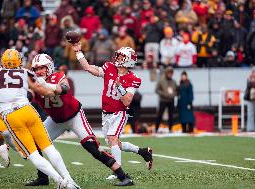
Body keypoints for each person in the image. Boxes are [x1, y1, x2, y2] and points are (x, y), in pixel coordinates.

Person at [0, 48, 79, 189]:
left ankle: (60, 181)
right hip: (28, 111)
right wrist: (59, 88)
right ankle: (69, 179)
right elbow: (42, 90)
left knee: (33, 155)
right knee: (49, 148)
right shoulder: (24, 72)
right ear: (19, 61)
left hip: (11, 116)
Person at [30, 54, 133, 187]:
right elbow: (29, 96)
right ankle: (43, 177)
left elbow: (64, 88)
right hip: (55, 120)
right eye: (36, 69)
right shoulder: (34, 83)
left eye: (41, 68)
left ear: (49, 67)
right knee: (35, 142)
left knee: (92, 147)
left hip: (74, 116)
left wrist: (47, 85)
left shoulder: (58, 75)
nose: (38, 72)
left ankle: (123, 176)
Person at [71, 43, 153, 180]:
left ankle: (118, 171)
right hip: (106, 112)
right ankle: (143, 152)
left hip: (119, 113)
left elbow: (127, 101)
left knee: (112, 139)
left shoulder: (133, 78)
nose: (118, 58)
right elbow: (87, 67)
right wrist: (79, 52)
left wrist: (120, 88)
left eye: (121, 56)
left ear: (128, 60)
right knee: (114, 143)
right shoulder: (109, 67)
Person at [155, 66, 178, 133]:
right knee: (159, 115)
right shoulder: (161, 81)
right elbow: (157, 90)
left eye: (171, 73)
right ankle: (156, 129)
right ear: (166, 73)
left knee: (171, 115)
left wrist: (173, 94)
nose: (170, 74)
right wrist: (163, 94)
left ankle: (170, 129)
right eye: (169, 73)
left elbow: (177, 91)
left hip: (171, 100)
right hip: (163, 100)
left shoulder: (174, 81)